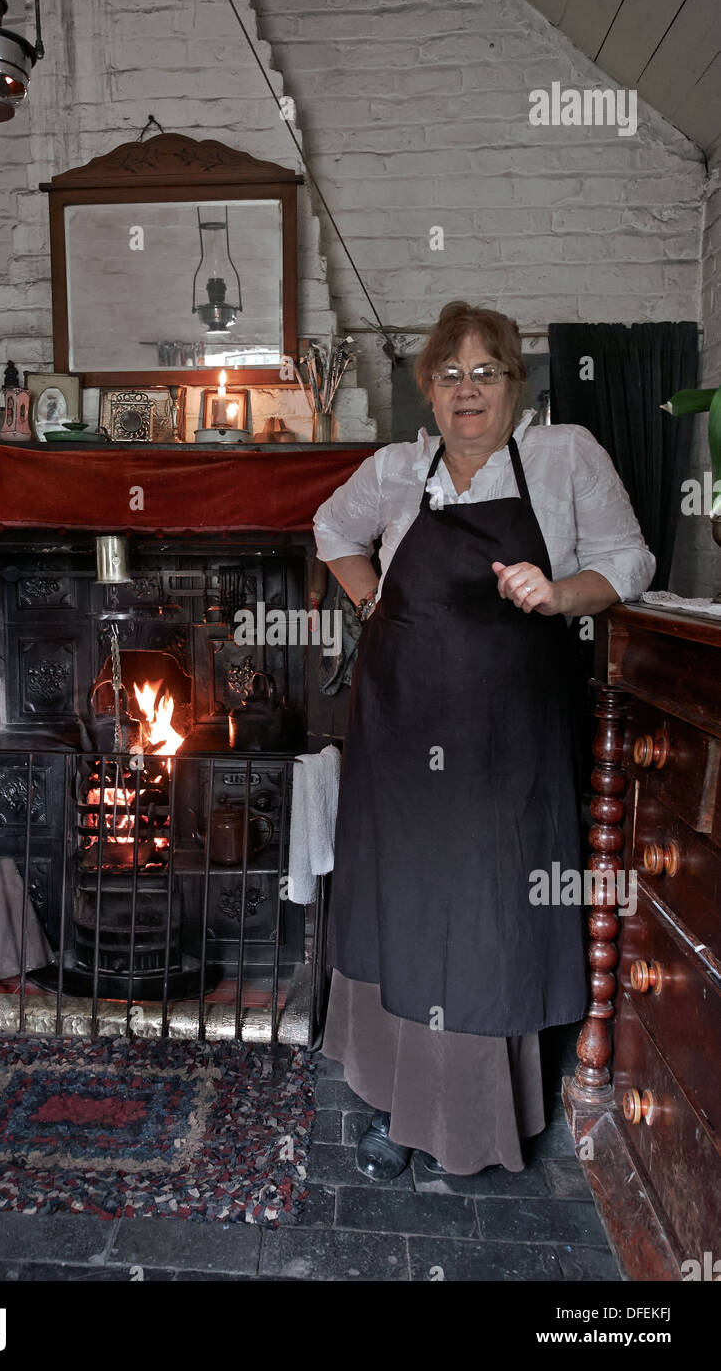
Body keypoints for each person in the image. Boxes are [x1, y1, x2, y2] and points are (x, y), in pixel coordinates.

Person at [312, 301, 655, 1179]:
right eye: (450, 375)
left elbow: (628, 563)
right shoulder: (397, 469)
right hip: (401, 733)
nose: (467, 391)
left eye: (486, 373)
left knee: (486, 914)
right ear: (427, 389)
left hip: (508, 737)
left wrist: (558, 594)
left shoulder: (562, 456)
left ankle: (470, 1124)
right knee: (409, 909)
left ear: (516, 384)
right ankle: (397, 1105)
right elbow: (331, 530)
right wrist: (369, 601)